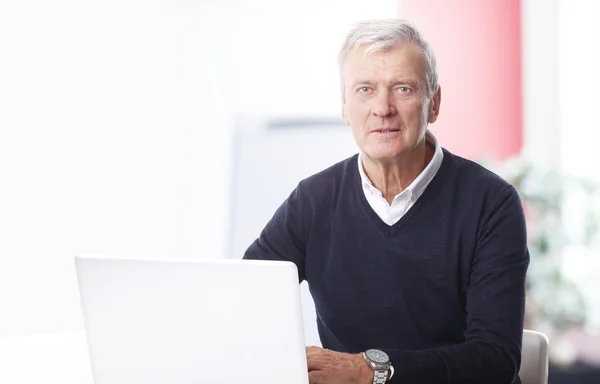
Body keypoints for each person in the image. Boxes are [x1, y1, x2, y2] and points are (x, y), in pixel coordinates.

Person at [243, 18, 529, 384]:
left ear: (435, 103)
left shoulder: (492, 203)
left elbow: (494, 359)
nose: (383, 108)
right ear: (345, 107)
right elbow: (245, 302)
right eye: (365, 89)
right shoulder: (312, 200)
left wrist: (369, 371)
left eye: (403, 88)